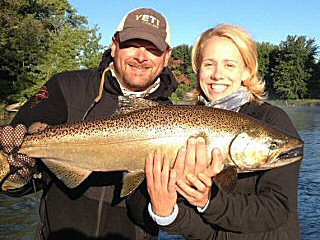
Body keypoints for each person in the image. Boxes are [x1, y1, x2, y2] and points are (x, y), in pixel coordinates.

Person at [0, 8, 177, 240]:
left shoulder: (177, 122)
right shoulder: (65, 86)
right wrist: (17, 176)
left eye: (153, 48)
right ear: (114, 45)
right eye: (131, 44)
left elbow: (164, 216)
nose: (141, 56)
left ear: (166, 56)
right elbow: (12, 170)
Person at [143, 24, 302, 240]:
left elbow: (276, 210)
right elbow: (191, 222)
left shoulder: (272, 121)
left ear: (247, 70)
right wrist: (166, 214)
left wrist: (209, 201)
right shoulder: (184, 124)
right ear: (198, 68)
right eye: (209, 64)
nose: (218, 74)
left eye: (229, 65)